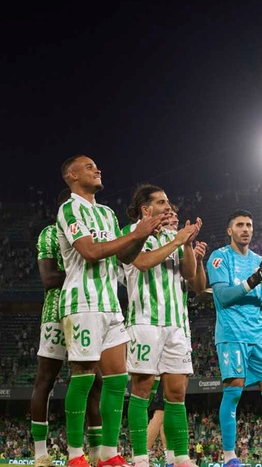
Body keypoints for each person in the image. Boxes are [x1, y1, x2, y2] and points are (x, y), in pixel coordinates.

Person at [57, 155, 163, 467]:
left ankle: (107, 454)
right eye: (89, 167)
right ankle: (75, 454)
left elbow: (126, 258)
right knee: (84, 376)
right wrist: (135, 233)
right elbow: (89, 252)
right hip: (81, 303)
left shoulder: (105, 213)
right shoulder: (69, 209)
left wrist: (141, 235)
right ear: (72, 176)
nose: (97, 169)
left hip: (110, 304)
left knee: (118, 379)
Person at [123, 184, 207, 467]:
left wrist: (185, 244)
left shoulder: (173, 236)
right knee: (143, 389)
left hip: (176, 324)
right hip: (144, 321)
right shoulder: (131, 233)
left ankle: (180, 456)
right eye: (161, 202)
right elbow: (143, 262)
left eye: (168, 201)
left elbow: (190, 275)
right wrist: (176, 241)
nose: (168, 206)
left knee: (177, 392)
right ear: (146, 209)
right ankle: (140, 458)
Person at [207, 209, 262, 467]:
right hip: (232, 335)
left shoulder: (260, 260)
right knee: (233, 393)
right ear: (229, 230)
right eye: (239, 225)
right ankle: (229, 457)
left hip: (259, 337)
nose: (245, 229)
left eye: (249, 225)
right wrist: (256, 278)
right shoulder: (219, 257)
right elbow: (224, 296)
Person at [31, 188, 103, 467]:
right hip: (57, 312)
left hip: (88, 309)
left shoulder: (93, 232)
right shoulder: (50, 233)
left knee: (95, 381)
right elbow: (48, 278)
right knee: (45, 380)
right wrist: (86, 269)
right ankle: (40, 454)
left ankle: (96, 452)